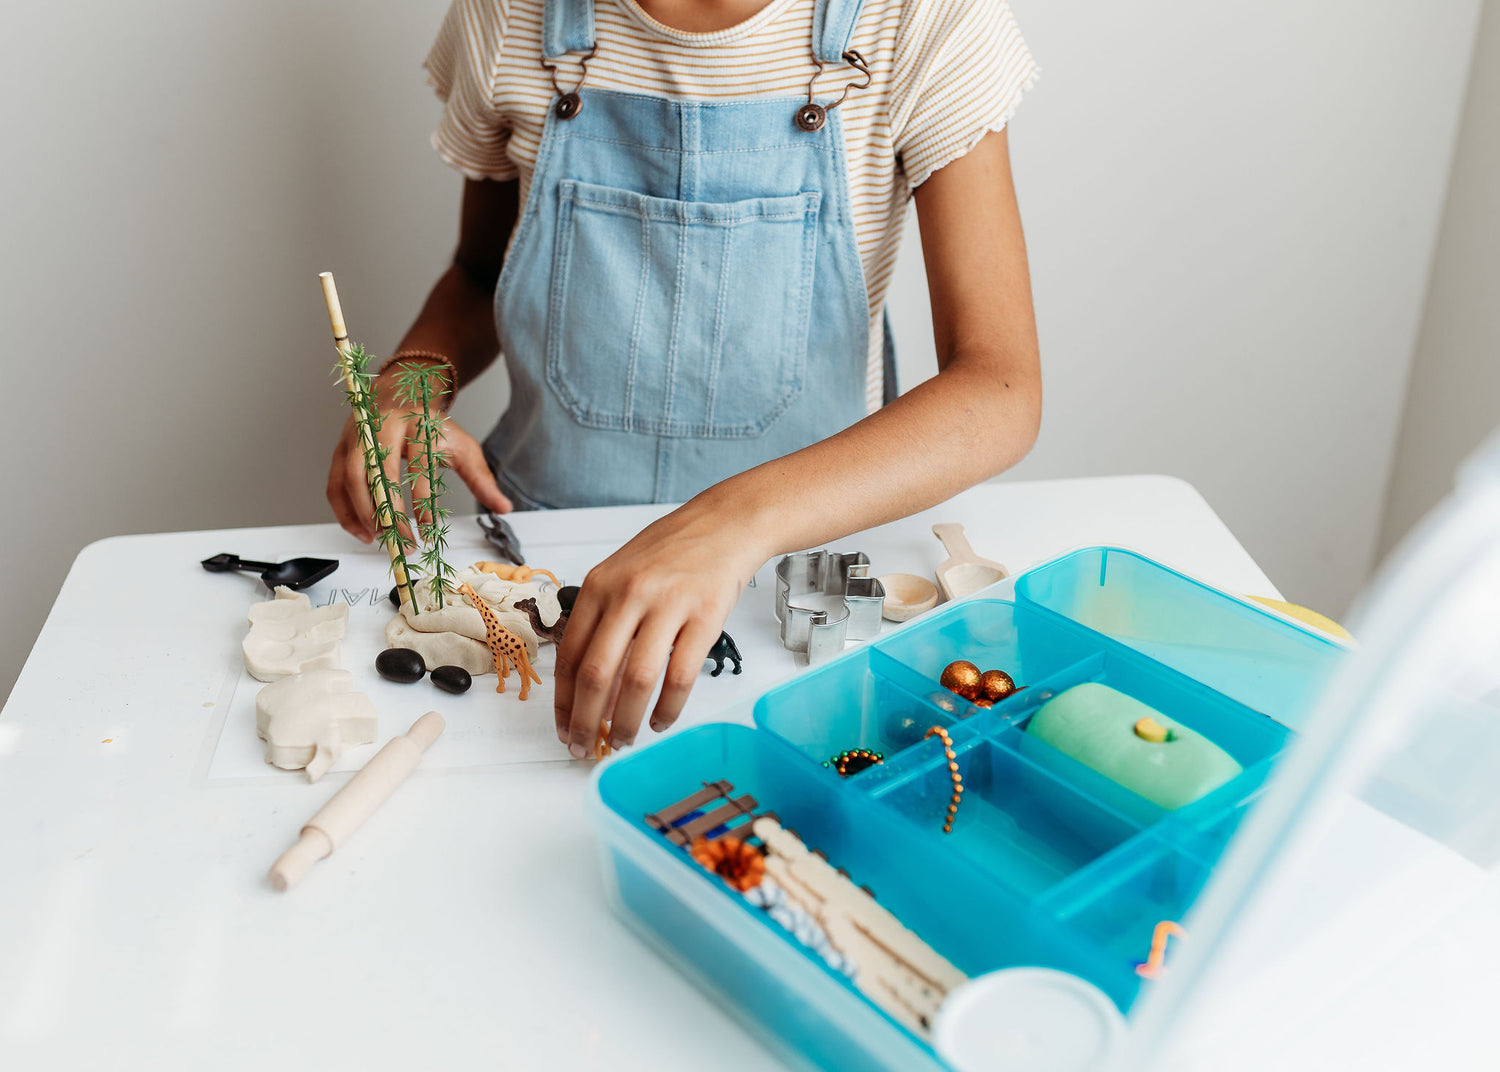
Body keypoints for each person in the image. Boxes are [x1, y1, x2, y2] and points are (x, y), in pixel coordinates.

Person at [327, 0, 1042, 759]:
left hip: (801, 584)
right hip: (540, 557)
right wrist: (409, 381)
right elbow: (479, 274)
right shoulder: (508, 15)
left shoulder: (923, 18)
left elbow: (999, 388)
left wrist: (728, 526)